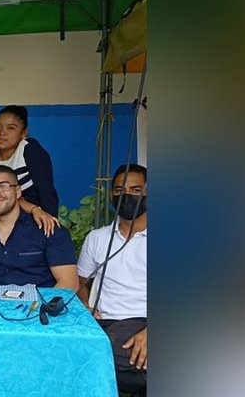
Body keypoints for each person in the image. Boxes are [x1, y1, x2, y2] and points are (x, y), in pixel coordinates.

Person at [77, 163, 147, 396]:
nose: (125, 195)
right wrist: (86, 305)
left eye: (135, 190)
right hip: (107, 325)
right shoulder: (97, 238)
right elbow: (81, 282)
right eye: (118, 190)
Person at [0, 165, 78, 289]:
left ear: (18, 191)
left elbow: (69, 284)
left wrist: (43, 308)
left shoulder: (49, 230)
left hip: (37, 305)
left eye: (3, 186)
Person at [0, 105, 60, 218]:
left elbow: (47, 194)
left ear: (24, 132)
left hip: (31, 220)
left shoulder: (29, 149)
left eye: (11, 128)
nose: (2, 132)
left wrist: (49, 225)